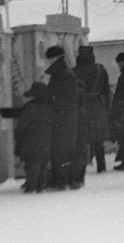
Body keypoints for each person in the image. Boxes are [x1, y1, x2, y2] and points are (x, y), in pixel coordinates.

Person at [44, 45, 80, 190]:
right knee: (66, 149)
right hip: (67, 116)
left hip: (62, 117)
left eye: (48, 59)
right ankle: (71, 179)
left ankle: (60, 181)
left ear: (54, 58)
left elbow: (60, 97)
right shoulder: (64, 72)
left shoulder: (62, 74)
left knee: (60, 149)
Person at [74, 45, 112, 177]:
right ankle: (101, 167)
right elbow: (106, 91)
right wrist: (107, 107)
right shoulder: (100, 70)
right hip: (97, 105)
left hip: (81, 106)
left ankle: (82, 168)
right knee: (98, 140)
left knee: (82, 138)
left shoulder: (74, 71)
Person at [13, 82, 54, 193]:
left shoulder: (31, 108)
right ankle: (41, 186)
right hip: (47, 140)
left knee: (33, 165)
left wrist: (18, 136)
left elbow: (22, 125)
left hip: (31, 141)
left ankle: (31, 187)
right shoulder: (50, 107)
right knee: (43, 164)